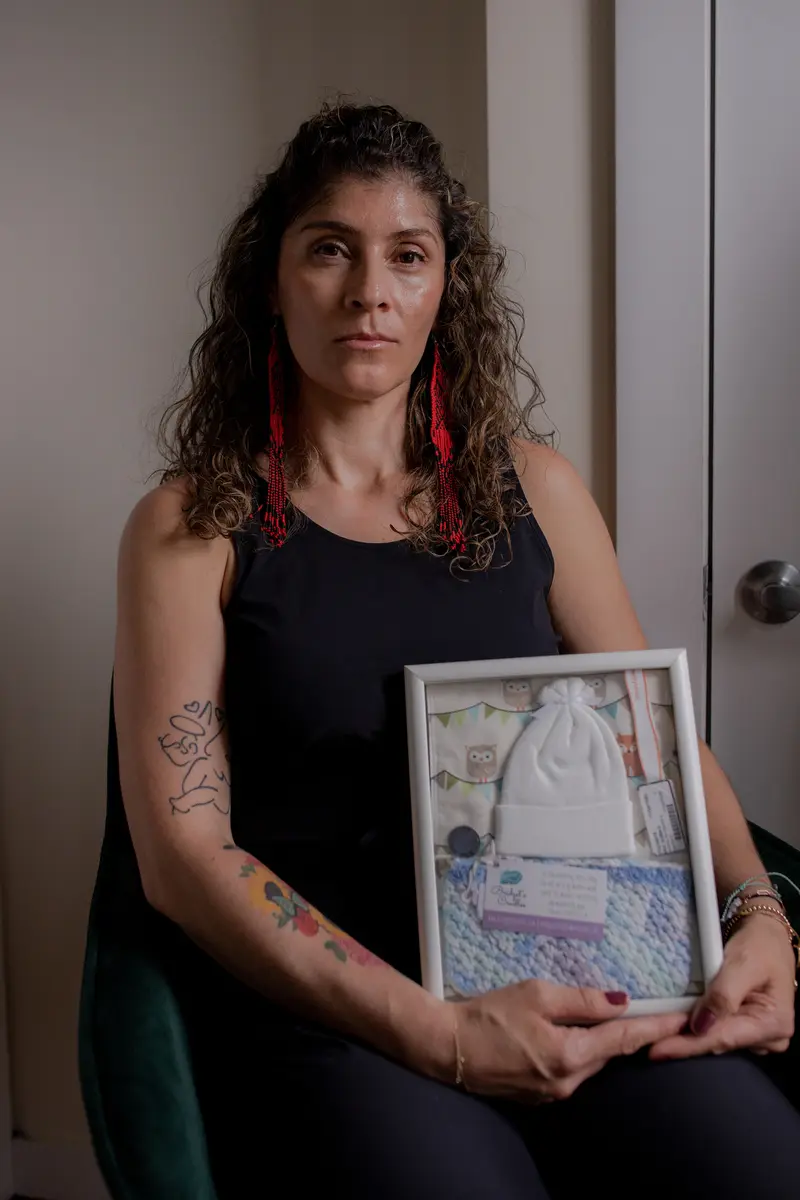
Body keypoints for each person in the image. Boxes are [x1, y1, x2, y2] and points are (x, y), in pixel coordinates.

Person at [113, 102, 799, 1197]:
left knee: (755, 1166)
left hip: (576, 968)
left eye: (408, 255)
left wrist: (759, 916)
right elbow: (182, 859)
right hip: (340, 1012)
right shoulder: (191, 526)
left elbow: (661, 744)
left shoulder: (537, 490)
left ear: (446, 290)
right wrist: (440, 1036)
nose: (368, 290)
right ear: (271, 278)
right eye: (329, 248)